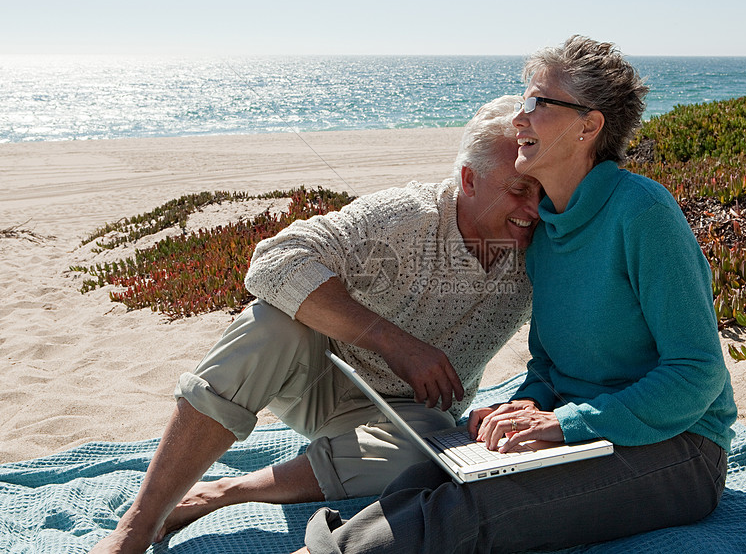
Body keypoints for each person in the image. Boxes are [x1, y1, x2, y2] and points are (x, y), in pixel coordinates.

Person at [292, 35, 737, 554]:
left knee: (477, 511)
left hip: (680, 448)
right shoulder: (544, 233)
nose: (519, 117)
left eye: (537, 103)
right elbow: (549, 367)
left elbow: (697, 373)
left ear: (589, 127)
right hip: (583, 430)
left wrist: (565, 423)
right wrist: (523, 404)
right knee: (438, 467)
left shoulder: (643, 213)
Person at [90, 95, 542, 554]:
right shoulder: (406, 217)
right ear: (468, 179)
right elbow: (274, 260)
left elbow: (556, 356)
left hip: (410, 416)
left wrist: (521, 405)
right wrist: (393, 343)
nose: (536, 207)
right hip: (319, 377)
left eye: (542, 188)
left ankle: (224, 491)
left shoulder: (544, 253)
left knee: (428, 453)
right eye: (519, 189)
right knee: (272, 322)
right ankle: (138, 523)